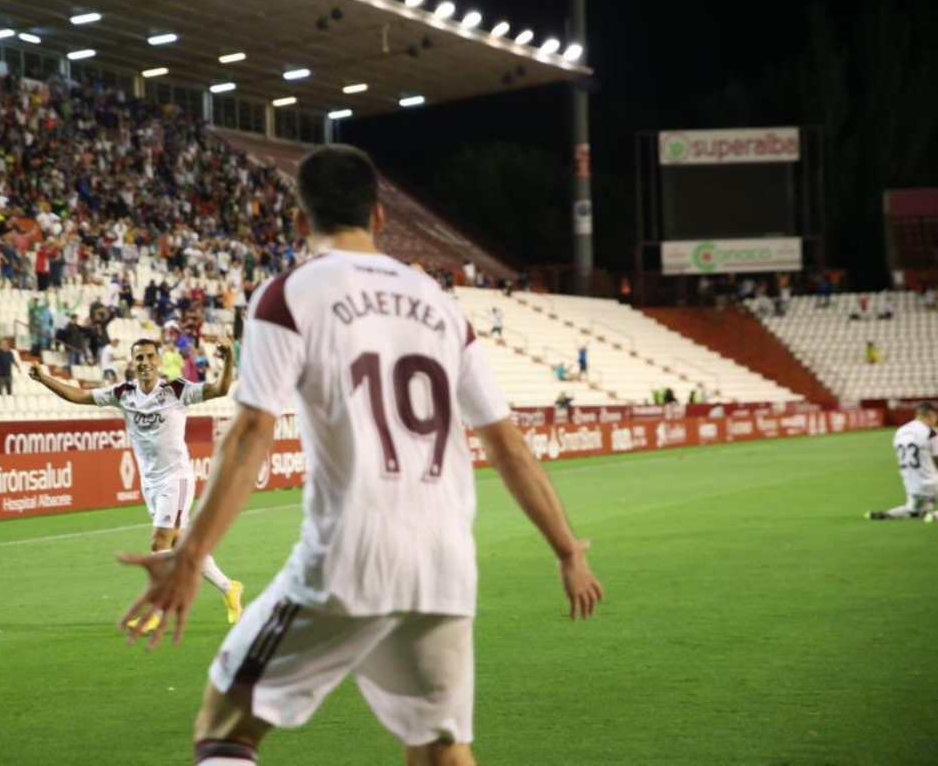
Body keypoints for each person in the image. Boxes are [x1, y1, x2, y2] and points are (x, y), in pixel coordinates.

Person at [113, 145, 602, 766]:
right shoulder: (441, 306)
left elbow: (251, 432)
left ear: (298, 221)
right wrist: (566, 549)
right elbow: (506, 440)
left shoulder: (288, 296)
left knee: (225, 727)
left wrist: (191, 555)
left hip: (348, 556)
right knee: (441, 751)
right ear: (380, 216)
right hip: (444, 563)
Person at [30, 335, 244, 634]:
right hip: (151, 483)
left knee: (159, 542)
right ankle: (229, 587)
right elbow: (78, 395)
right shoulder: (123, 393)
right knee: (182, 544)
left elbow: (220, 389)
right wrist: (44, 379)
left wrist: (229, 358)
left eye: (149, 357)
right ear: (133, 363)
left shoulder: (176, 390)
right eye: (139, 358)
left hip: (177, 478)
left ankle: (156, 611)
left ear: (158, 360)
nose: (144, 363)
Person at [867, 403, 938, 521]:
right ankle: (934, 516)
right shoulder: (931, 432)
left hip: (911, 485)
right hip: (932, 483)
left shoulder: (900, 431)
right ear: (930, 415)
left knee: (914, 510)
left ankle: (888, 514)